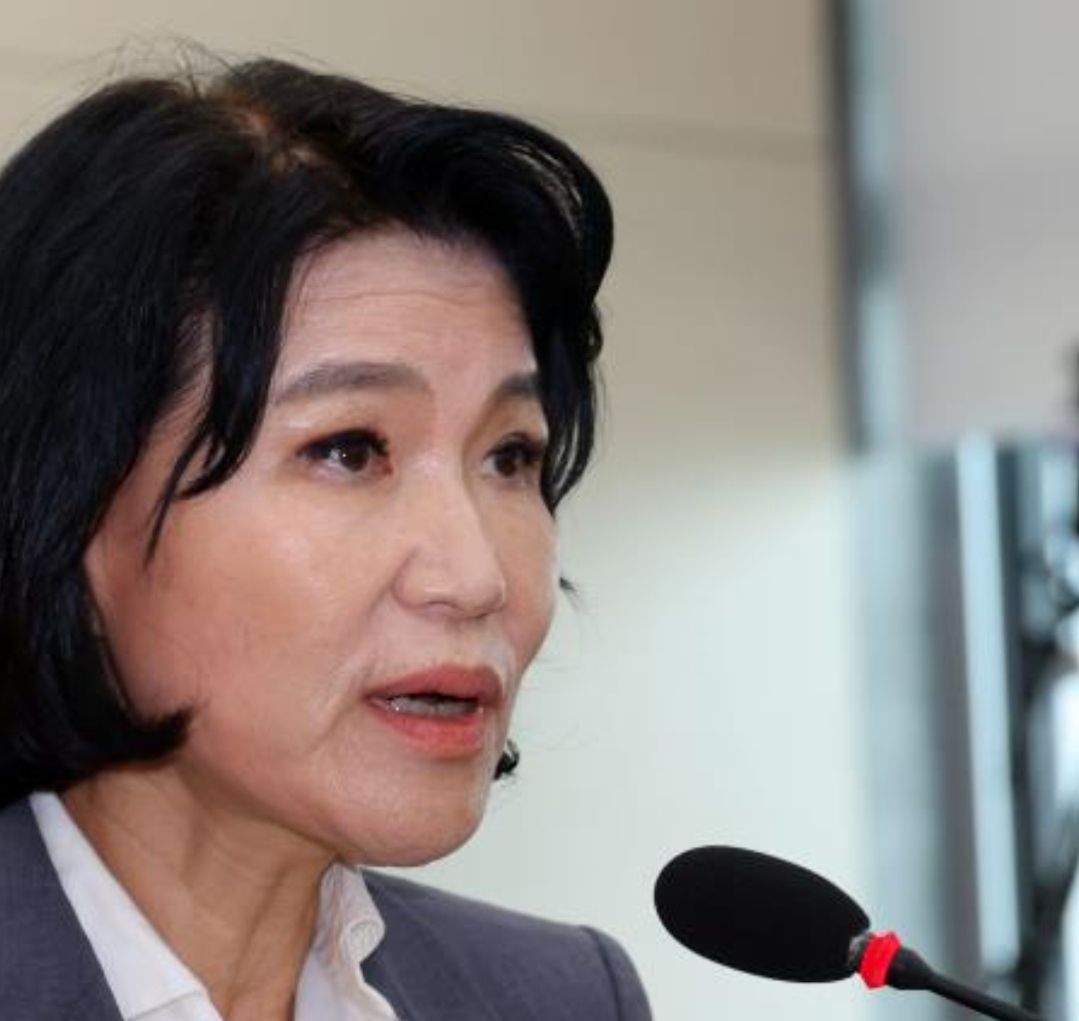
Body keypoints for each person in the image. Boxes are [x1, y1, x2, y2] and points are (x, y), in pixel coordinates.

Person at [0, 54, 651, 1020]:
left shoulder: (562, 997)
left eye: (510, 455)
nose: (475, 575)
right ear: (72, 503)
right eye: (349, 450)